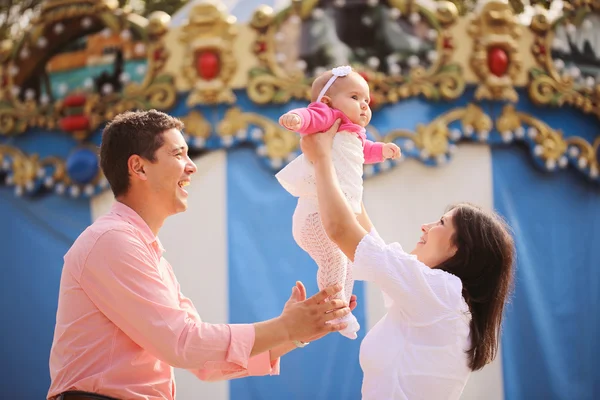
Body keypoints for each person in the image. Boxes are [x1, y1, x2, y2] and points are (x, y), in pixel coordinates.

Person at [47, 110, 356, 400]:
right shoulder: (112, 241)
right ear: (139, 167)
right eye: (178, 154)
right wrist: (286, 327)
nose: (192, 165)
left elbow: (203, 363)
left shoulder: (144, 252)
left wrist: (298, 332)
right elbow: (182, 343)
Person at [300, 119, 516, 399]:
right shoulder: (437, 295)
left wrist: (322, 159)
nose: (425, 226)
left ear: (459, 250)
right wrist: (344, 161)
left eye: (440, 222)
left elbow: (341, 230)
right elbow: (366, 235)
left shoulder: (443, 292)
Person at [275, 65, 400, 339]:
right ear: (329, 102)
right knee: (334, 258)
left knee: (349, 260)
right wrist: (295, 119)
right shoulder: (327, 116)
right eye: (355, 98)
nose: (364, 106)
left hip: (334, 212)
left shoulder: (354, 134)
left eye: (367, 101)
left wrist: (383, 150)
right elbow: (308, 115)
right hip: (314, 218)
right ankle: (337, 310)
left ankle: (341, 304)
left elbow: (365, 152)